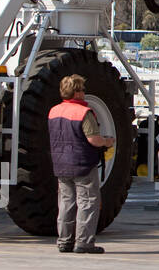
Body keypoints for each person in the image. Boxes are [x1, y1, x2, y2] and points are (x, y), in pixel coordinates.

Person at [47, 74, 115, 254]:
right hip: (82, 164)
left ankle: (64, 241)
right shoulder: (83, 112)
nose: (84, 93)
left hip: (60, 164)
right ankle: (84, 242)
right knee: (88, 202)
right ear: (76, 92)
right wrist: (107, 141)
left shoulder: (54, 111)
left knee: (66, 202)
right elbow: (93, 139)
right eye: (82, 90)